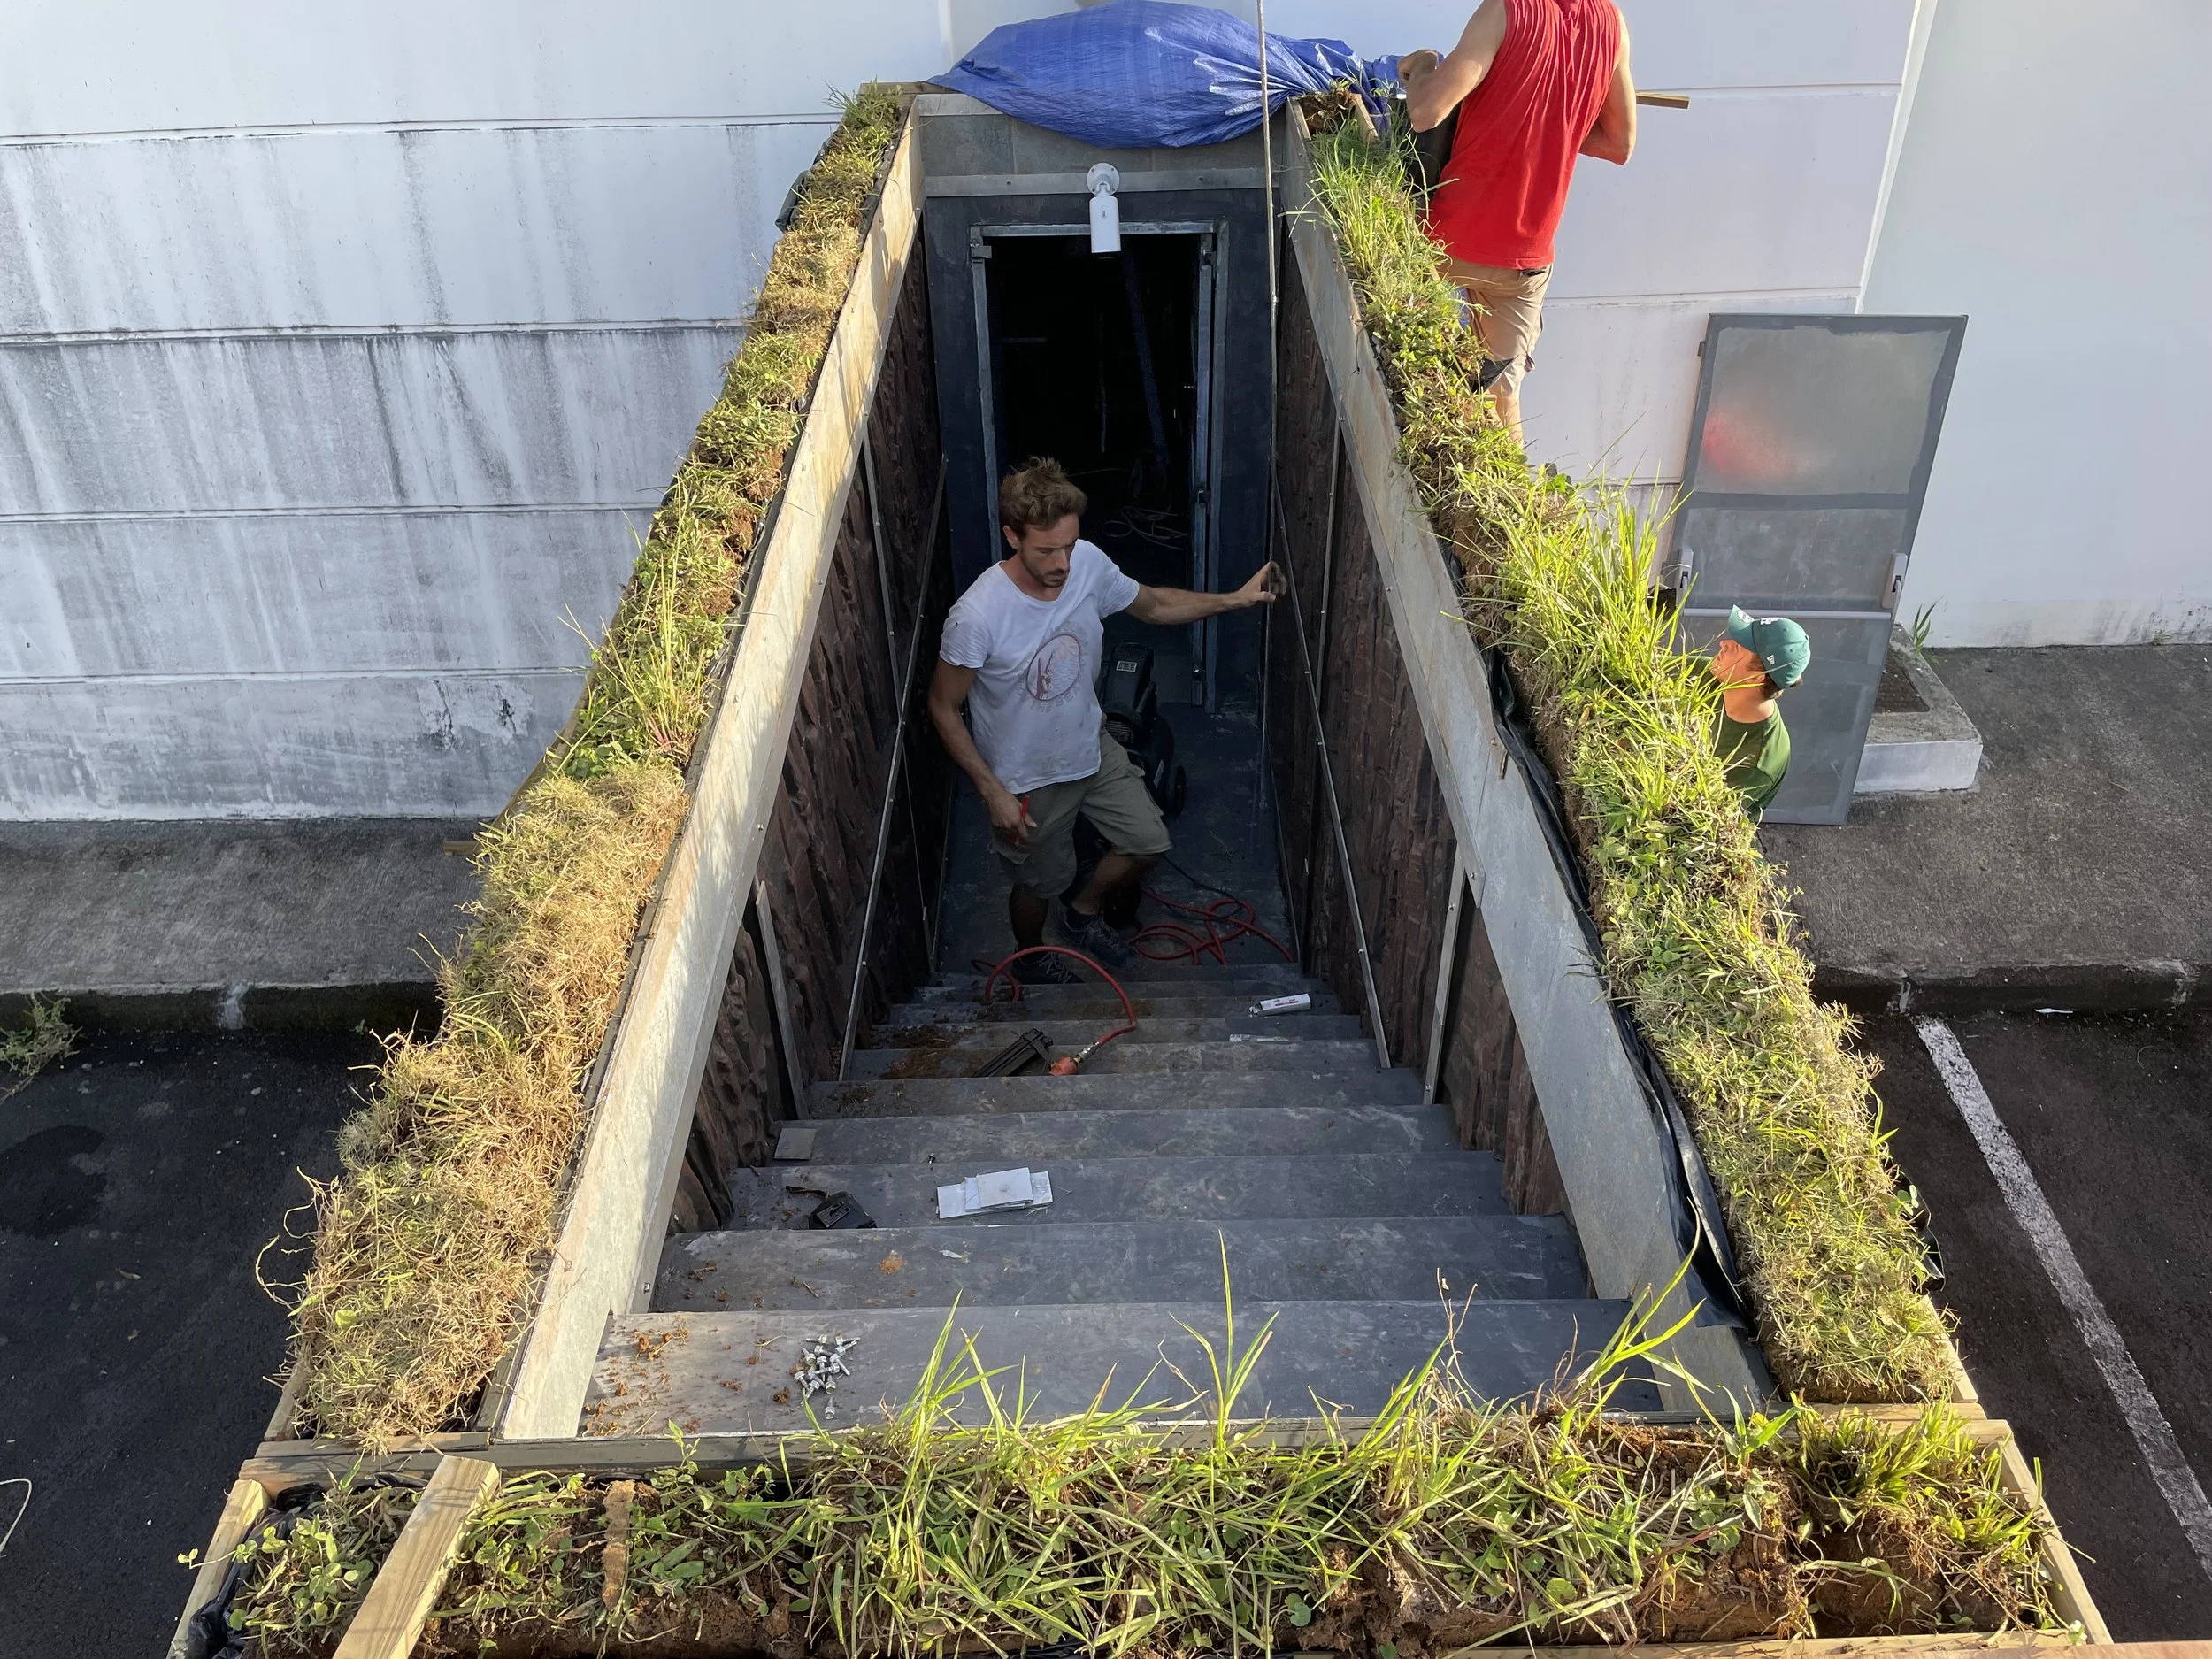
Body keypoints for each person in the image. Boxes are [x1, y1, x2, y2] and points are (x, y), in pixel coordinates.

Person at [929, 458, 1280, 982]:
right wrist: (992, 792)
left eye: (1069, 545)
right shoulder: (977, 616)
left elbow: (1155, 605)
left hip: (1088, 746)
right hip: (1026, 775)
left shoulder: (1088, 563)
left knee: (1147, 841)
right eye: (1047, 549)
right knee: (1038, 884)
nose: (1063, 563)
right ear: (1012, 537)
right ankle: (1032, 958)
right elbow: (941, 706)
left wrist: (1236, 600)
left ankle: (1084, 912)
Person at [1402, 0, 1636, 444]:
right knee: (1500, 402)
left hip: (1444, 241)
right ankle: (1503, 504)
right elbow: (1619, 144)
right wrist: (1554, 123)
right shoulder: (1613, 24)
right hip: (1524, 264)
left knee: (1406, 366)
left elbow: (1426, 112)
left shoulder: (1503, 12)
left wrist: (1425, 65)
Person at [1710, 605, 1810, 820]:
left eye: (1737, 648)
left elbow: (1700, 816)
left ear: (1756, 678)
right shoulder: (1707, 678)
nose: (1723, 644)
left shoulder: (1755, 763)